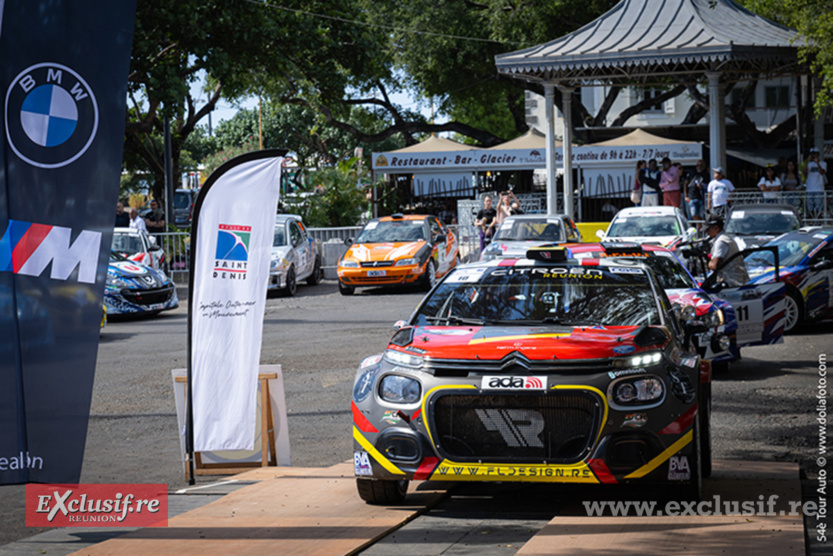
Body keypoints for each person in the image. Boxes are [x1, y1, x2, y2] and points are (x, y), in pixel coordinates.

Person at [704, 213, 749, 287]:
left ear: (716, 228)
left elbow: (715, 265)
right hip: (736, 281)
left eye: (708, 229)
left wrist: (709, 263)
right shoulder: (725, 237)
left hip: (732, 283)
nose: (706, 232)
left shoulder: (721, 241)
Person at [802, 147, 827, 220]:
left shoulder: (823, 163)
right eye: (812, 154)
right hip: (809, 188)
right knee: (810, 207)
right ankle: (812, 220)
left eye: (815, 154)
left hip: (819, 188)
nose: (814, 156)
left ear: (818, 154)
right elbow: (803, 172)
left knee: (819, 207)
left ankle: (818, 221)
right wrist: (807, 161)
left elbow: (822, 172)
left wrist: (817, 163)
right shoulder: (809, 164)